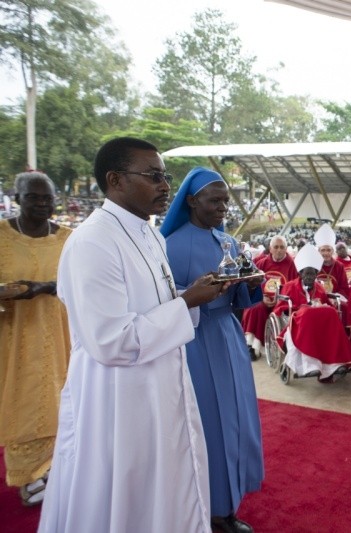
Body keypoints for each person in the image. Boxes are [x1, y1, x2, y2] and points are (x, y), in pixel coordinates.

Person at [39, 137, 230, 532]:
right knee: (124, 496)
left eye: (166, 176)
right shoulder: (93, 242)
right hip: (117, 398)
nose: (165, 187)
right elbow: (112, 340)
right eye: (154, 176)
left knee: (162, 487)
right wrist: (187, 303)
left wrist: (188, 295)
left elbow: (150, 305)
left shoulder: (150, 235)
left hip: (159, 385)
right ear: (115, 180)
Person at [161, 167, 264, 533]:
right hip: (195, 342)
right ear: (191, 201)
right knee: (209, 424)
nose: (223, 207)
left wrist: (251, 283)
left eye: (225, 201)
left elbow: (239, 300)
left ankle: (231, 495)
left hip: (227, 335)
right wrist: (196, 295)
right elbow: (162, 303)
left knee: (235, 415)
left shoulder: (228, 242)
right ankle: (215, 509)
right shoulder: (169, 246)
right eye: (214, 200)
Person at [0, 172, 71, 507]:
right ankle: (28, 476)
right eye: (33, 197)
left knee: (63, 397)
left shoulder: (69, 238)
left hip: (62, 332)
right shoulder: (2, 236)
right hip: (16, 337)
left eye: (48, 198)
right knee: (25, 402)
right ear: (17, 197)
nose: (42, 204)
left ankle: (57, 466)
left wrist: (48, 288)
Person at [273, 244, 351, 381]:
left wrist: (321, 305)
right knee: (306, 314)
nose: (310, 277)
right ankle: (309, 365)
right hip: (298, 321)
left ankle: (335, 364)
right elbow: (281, 307)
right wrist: (303, 308)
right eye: (307, 274)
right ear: (300, 273)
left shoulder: (319, 287)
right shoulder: (289, 286)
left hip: (318, 323)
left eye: (313, 274)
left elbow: (326, 304)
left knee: (332, 313)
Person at [240, 235, 298, 359]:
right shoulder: (261, 263)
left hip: (282, 302)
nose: (279, 250)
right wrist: (262, 298)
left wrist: (279, 299)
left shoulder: (292, 265)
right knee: (255, 307)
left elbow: (295, 286)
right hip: (262, 299)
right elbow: (253, 285)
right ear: (270, 249)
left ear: (286, 249)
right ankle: (252, 345)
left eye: (282, 247)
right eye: (276, 247)